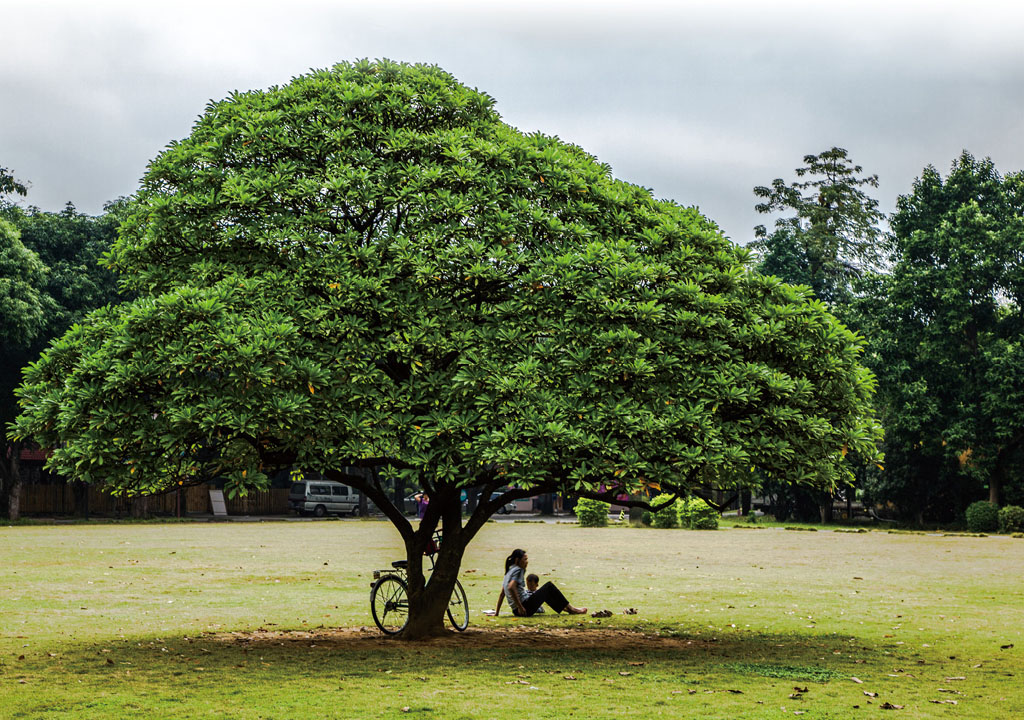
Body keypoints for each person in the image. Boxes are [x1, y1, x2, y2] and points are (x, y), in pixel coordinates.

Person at [494, 548, 587, 617]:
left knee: (545, 593)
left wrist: (496, 613)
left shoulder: (509, 571)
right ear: (517, 560)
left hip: (516, 611)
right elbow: (511, 587)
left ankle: (567, 609)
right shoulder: (519, 570)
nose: (527, 562)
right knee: (549, 586)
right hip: (524, 608)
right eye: (525, 559)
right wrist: (521, 607)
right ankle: (572, 609)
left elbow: (502, 594)